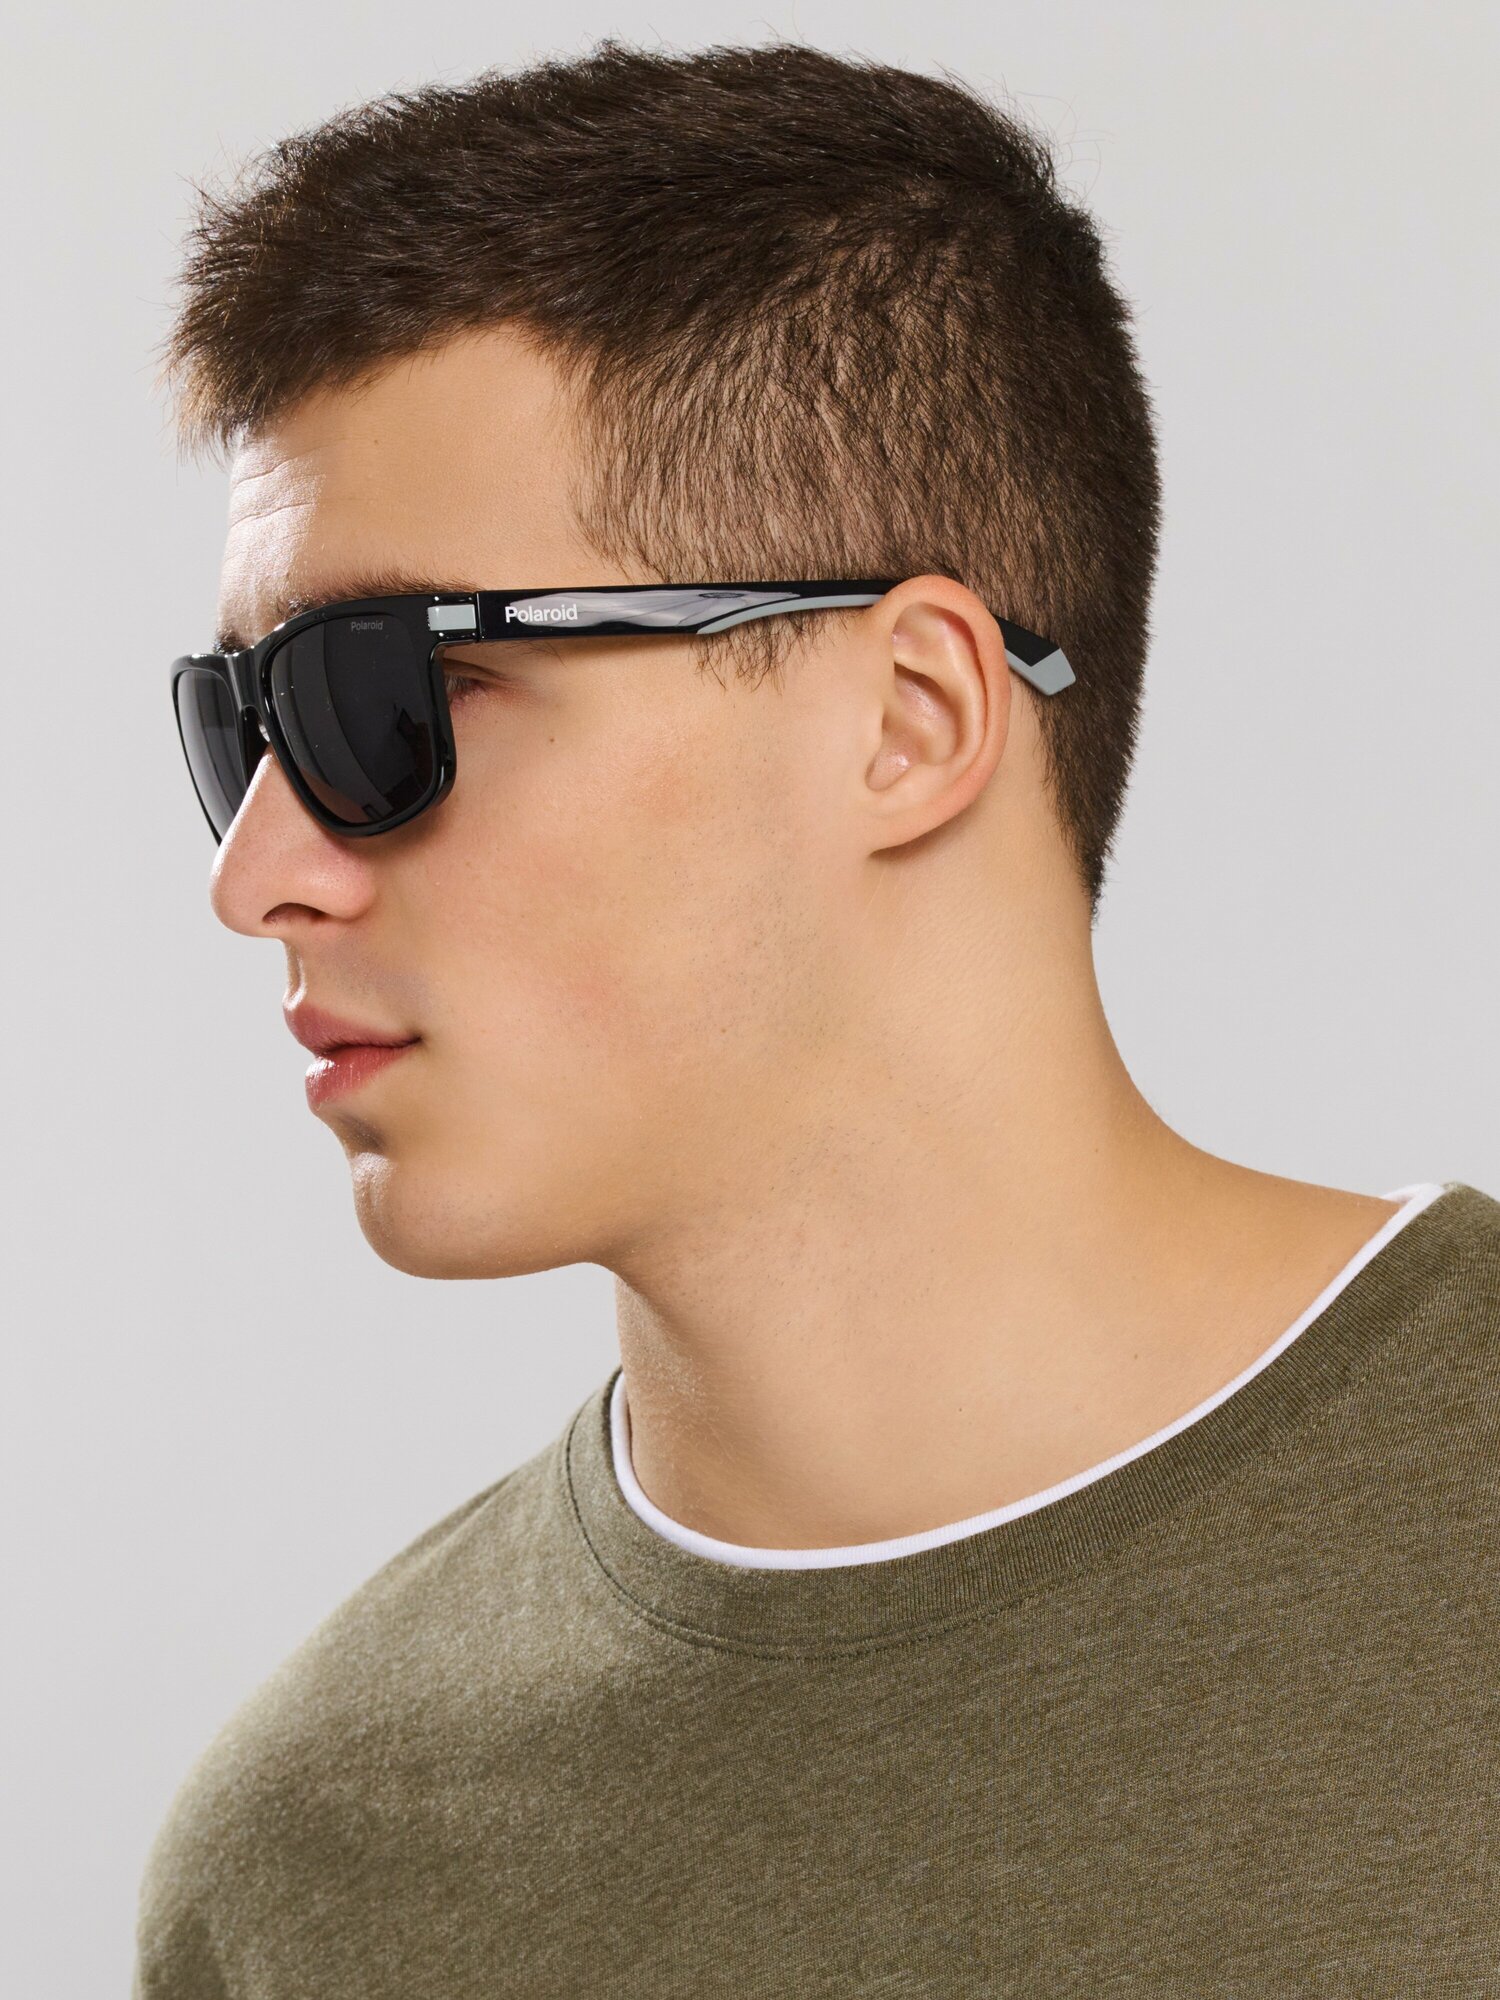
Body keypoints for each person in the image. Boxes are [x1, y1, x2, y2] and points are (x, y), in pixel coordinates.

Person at [136, 39, 1498, 1998]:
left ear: (910, 717)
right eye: (240, 724)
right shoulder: (311, 1870)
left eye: (382, 695)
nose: (258, 870)